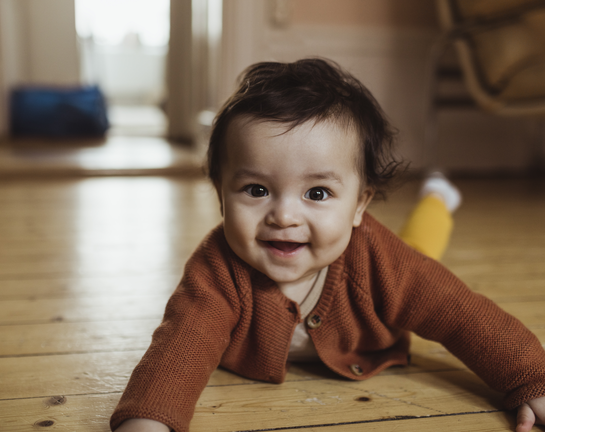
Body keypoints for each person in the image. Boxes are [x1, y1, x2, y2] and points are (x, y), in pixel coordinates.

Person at [110, 58, 545, 432]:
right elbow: (181, 345)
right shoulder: (218, 269)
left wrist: (534, 379)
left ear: (359, 205)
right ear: (220, 193)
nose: (284, 216)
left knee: (420, 253)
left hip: (387, 263)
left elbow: (462, 314)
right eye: (256, 190)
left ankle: (437, 199)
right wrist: (149, 420)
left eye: (316, 193)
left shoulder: (381, 262)